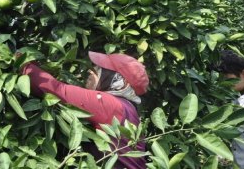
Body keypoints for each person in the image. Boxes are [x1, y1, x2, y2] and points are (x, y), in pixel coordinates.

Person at [18, 51, 148, 168]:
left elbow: (57, 90)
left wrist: (22, 63)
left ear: (119, 80)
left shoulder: (109, 104)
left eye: (99, 69)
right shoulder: (128, 108)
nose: (91, 71)